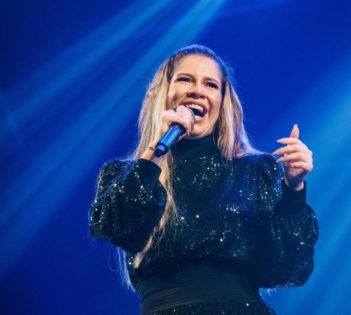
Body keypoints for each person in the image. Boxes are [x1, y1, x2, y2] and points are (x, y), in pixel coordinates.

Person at [89, 44, 318, 315]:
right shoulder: (125, 174)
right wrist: (154, 153)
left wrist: (294, 189)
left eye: (210, 85)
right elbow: (115, 227)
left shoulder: (255, 172)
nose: (197, 90)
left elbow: (289, 270)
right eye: (185, 79)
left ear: (222, 102)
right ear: (163, 93)